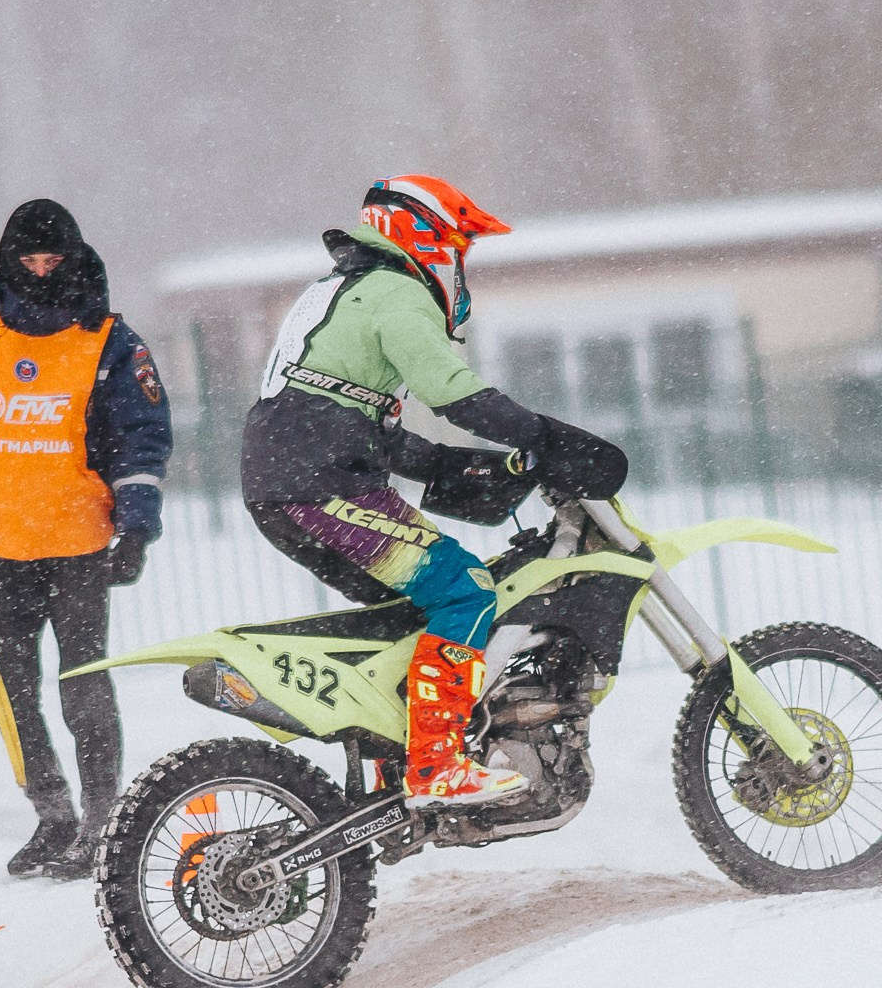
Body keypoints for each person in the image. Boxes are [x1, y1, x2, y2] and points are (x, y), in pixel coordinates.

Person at [240, 174, 631, 805]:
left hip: (289, 485)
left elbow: (358, 421)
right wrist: (548, 439)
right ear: (419, 234)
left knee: (412, 617)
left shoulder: (342, 291)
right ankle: (436, 765)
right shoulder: (395, 290)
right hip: (324, 486)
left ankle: (394, 766)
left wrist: (455, 466)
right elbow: (453, 391)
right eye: (453, 248)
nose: (455, 267)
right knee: (467, 593)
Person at [0, 198, 173, 878]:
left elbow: (143, 435)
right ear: (5, 263)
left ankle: (102, 821)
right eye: (26, 261)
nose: (38, 270)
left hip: (81, 545)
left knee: (83, 688)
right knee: (14, 693)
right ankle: (52, 815)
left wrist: (136, 527)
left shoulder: (110, 340)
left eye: (52, 260)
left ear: (75, 258)